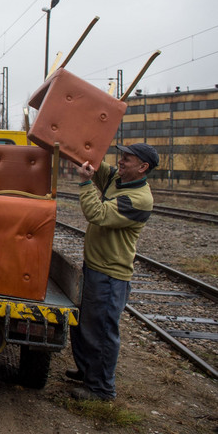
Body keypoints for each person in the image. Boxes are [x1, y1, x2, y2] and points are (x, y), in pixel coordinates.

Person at [68, 142, 158, 401]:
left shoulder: (139, 200)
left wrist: (85, 184)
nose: (121, 160)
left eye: (128, 158)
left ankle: (102, 389)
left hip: (110, 275)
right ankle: (87, 373)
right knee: (84, 326)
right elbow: (94, 164)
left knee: (102, 332)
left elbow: (96, 213)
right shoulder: (118, 179)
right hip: (95, 267)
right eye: (122, 155)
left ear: (143, 167)